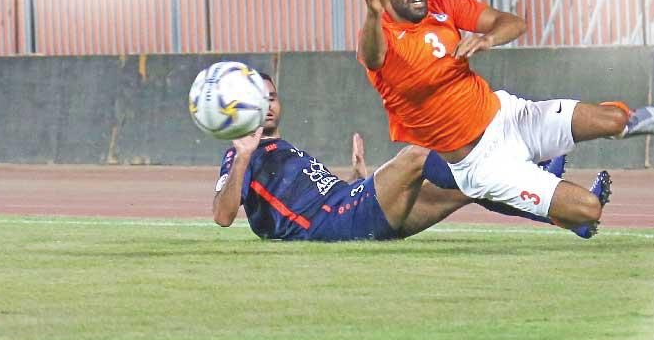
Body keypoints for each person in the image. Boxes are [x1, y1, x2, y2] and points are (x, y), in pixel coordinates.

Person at [357, 0, 654, 233]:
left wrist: (488, 38)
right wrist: (373, 14)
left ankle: (623, 124)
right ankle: (555, 201)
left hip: (509, 116)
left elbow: (512, 22)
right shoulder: (379, 36)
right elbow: (372, 56)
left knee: (614, 119)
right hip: (481, 164)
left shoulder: (442, 4)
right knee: (588, 209)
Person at [212, 73, 594, 240]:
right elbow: (222, 216)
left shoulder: (286, 149)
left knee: (468, 184)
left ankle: (564, 216)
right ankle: (532, 170)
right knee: (420, 151)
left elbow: (314, 204)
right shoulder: (244, 155)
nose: (269, 106)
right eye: (259, 100)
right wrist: (242, 155)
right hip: (339, 223)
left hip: (348, 208)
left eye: (273, 97)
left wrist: (357, 177)